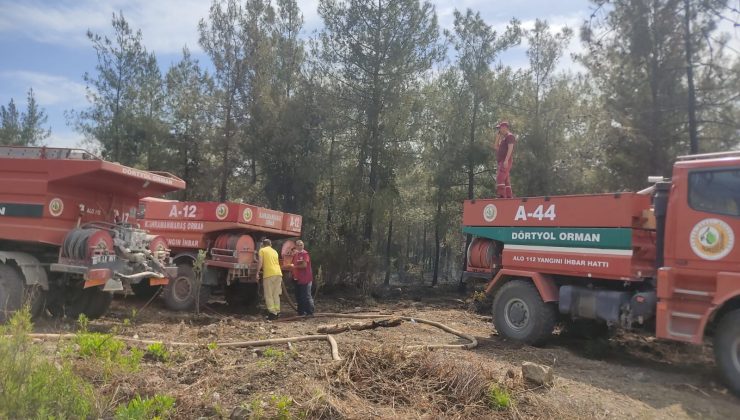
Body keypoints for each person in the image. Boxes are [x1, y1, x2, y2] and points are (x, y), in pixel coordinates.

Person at [257, 238, 283, 320]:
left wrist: (257, 272)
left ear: (263, 244)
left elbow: (261, 262)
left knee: (268, 295)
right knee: (276, 294)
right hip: (278, 273)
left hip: (269, 274)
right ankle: (277, 312)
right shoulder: (274, 251)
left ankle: (272, 313)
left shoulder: (262, 250)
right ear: (270, 244)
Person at [290, 240, 314, 316]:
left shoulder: (305, 254)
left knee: (306, 296)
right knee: (298, 296)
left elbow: (304, 265)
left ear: (303, 246)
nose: (300, 246)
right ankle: (301, 313)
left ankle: (309, 313)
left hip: (306, 279)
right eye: (298, 245)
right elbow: (292, 265)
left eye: (301, 245)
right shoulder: (296, 255)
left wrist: (294, 267)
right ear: (296, 246)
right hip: (297, 279)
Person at [494, 121, 516, 198]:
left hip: (506, 160)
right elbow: (496, 147)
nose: (499, 130)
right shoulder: (504, 138)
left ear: (504, 127)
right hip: (501, 161)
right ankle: (509, 196)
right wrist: (497, 137)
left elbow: (510, 148)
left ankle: (501, 196)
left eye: (499, 128)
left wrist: (506, 160)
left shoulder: (510, 136)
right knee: (506, 180)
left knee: (500, 177)